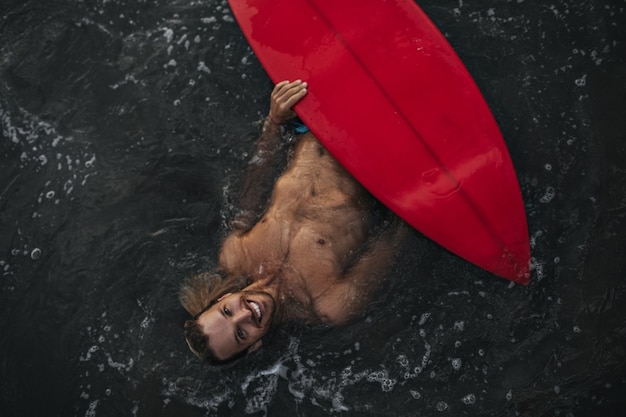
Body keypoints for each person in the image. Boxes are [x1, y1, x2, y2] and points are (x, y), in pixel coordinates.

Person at [180, 80, 406, 365]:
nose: (245, 314)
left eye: (227, 311)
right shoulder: (328, 303)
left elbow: (255, 182)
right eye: (241, 333)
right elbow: (394, 237)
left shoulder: (236, 254)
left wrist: (274, 123)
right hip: (379, 148)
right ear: (254, 347)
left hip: (315, 121)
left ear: (220, 299)